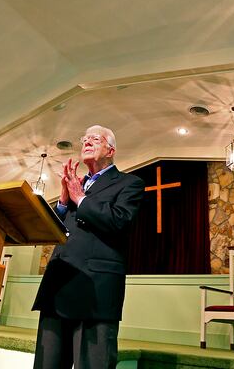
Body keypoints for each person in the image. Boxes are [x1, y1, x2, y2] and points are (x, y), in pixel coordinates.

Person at [32, 125, 145, 369]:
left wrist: (80, 199)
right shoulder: (76, 184)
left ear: (111, 150)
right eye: (84, 139)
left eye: (95, 138)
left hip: (95, 290)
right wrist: (63, 203)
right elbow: (53, 232)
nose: (87, 142)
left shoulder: (129, 183)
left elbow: (119, 221)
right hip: (58, 284)